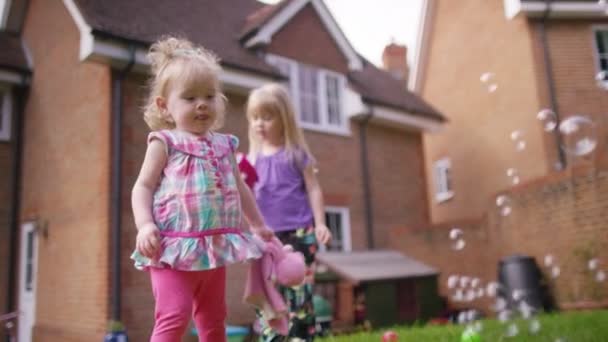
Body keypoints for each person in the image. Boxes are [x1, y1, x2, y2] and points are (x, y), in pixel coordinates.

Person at [130, 36, 273, 342]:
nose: (202, 104)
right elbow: (142, 186)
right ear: (164, 106)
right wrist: (144, 226)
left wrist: (258, 225)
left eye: (209, 95)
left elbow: (240, 186)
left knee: (213, 319)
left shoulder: (224, 145)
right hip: (172, 249)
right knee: (174, 314)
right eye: (190, 97)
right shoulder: (164, 142)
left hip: (213, 250)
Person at [246, 83, 332, 341]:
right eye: (255, 117)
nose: (260, 123)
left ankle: (301, 337)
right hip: (266, 238)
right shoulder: (251, 160)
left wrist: (321, 223)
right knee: (269, 296)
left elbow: (314, 189)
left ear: (284, 119)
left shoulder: (296, 154)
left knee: (299, 295)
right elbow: (245, 198)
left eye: (267, 117)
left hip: (300, 233)